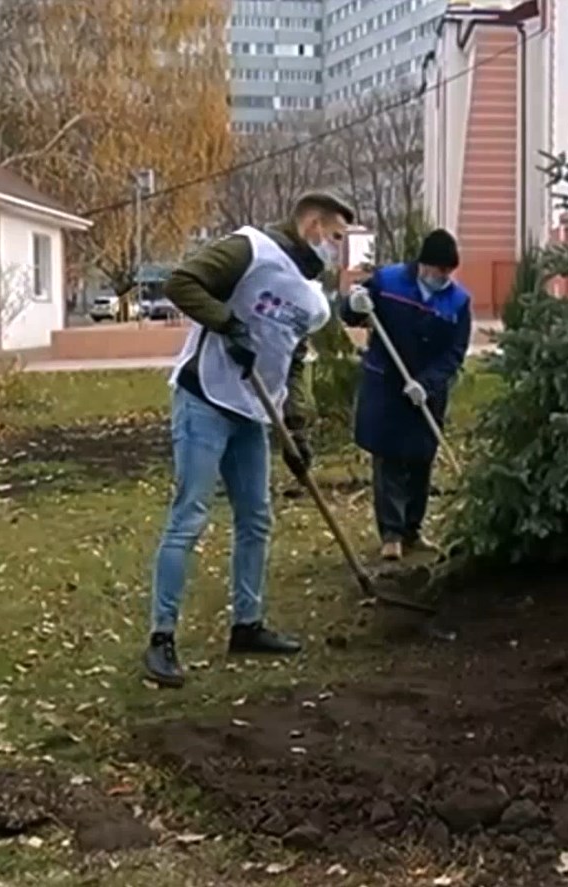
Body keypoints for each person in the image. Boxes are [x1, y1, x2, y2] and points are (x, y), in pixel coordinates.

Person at [143, 192, 356, 688]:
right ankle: (161, 639)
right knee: (190, 515)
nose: (337, 250)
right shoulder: (250, 249)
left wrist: (296, 428)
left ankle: (248, 625)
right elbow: (182, 283)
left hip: (253, 413)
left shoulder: (313, 300)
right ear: (312, 224)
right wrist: (227, 324)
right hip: (205, 396)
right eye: (336, 237)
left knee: (256, 517)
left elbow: (294, 361)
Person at [340, 229, 472, 561]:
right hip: (386, 384)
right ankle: (391, 533)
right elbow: (354, 312)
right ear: (424, 265)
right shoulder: (388, 282)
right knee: (388, 458)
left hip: (426, 392)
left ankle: (413, 528)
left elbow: (455, 353)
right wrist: (353, 304)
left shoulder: (457, 302)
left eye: (448, 273)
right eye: (438, 270)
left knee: (420, 458)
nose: (443, 277)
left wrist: (426, 384)